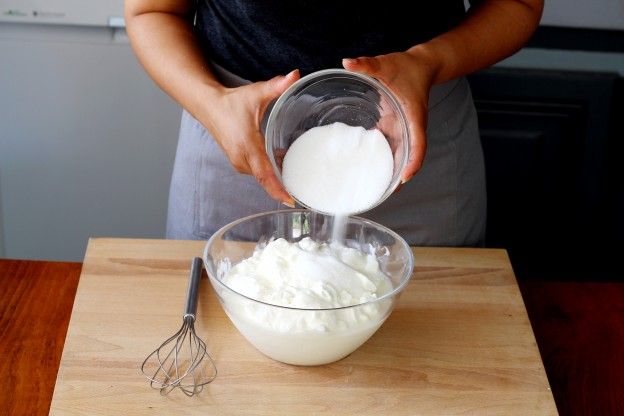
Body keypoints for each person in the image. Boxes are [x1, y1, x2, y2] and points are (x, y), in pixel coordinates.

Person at [125, 0, 543, 246]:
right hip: (238, 136)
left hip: (413, 136)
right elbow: (152, 9)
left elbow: (517, 5)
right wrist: (214, 104)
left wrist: (427, 63)